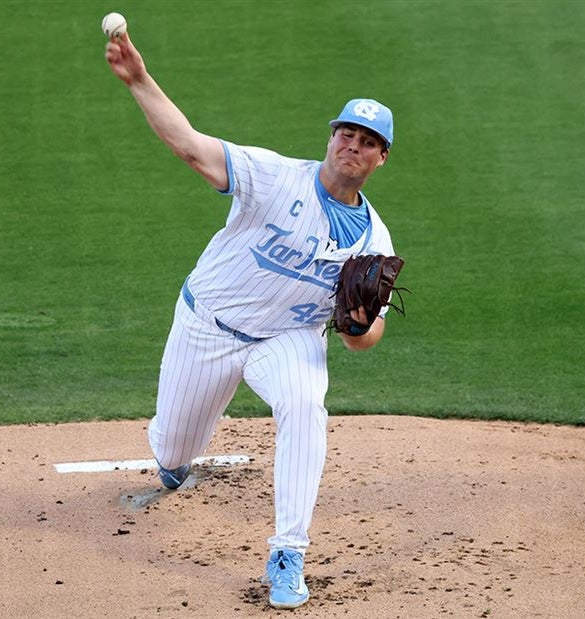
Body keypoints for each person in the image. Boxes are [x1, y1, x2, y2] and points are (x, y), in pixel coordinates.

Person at [105, 30, 398, 610]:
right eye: (347, 133)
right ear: (332, 136)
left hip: (286, 340)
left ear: (380, 157)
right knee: (174, 450)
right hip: (207, 326)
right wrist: (140, 80)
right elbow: (190, 146)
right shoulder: (273, 176)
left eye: (368, 142)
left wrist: (361, 326)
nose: (353, 146)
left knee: (304, 405)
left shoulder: (374, 240)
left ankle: (289, 552)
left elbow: (365, 341)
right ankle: (172, 461)